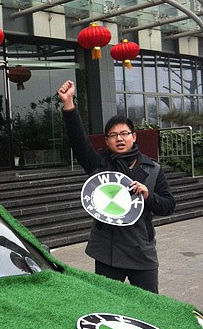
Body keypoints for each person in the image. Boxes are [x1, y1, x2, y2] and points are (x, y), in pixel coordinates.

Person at [57, 79, 175, 293]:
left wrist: (149, 196)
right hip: (107, 252)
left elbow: (168, 205)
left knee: (150, 307)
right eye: (113, 135)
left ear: (133, 136)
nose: (119, 139)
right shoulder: (100, 165)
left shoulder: (152, 168)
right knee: (107, 307)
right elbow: (78, 142)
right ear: (107, 141)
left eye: (124, 134)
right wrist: (69, 104)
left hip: (142, 252)